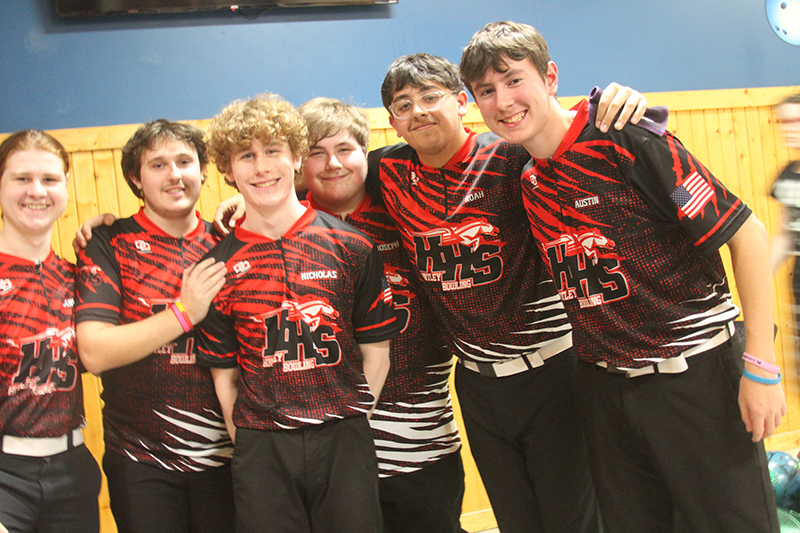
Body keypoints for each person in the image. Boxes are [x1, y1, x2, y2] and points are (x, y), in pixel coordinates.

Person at [461, 20, 785, 533]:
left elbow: (749, 237)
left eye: (513, 80)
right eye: (486, 91)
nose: (503, 101)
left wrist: (762, 366)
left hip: (695, 377)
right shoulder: (526, 178)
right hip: (603, 390)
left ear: (549, 77)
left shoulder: (625, 138)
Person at [362, 52, 646, 533]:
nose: (420, 112)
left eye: (431, 97)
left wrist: (623, 102)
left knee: (571, 520)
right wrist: (242, 199)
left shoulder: (513, 156)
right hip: (476, 384)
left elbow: (570, 131)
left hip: (553, 373)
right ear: (393, 123)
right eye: (404, 105)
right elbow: (316, 180)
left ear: (462, 102)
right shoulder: (386, 171)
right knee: (515, 520)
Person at [196, 94, 400, 533]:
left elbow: (377, 351)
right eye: (246, 156)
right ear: (228, 171)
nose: (262, 166)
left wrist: (353, 420)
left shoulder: (352, 246)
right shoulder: (215, 268)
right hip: (261, 446)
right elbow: (224, 376)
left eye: (272, 150)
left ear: (294, 158)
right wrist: (251, 442)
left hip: (344, 432)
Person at [298, 97, 464, 533]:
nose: (332, 164)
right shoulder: (281, 228)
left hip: (421, 439)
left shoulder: (408, 207)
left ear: (367, 153)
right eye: (316, 152)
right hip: (331, 446)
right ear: (299, 164)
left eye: (345, 150)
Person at [75, 120, 235, 533]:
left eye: (184, 161)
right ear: (136, 177)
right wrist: (184, 313)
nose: (175, 174)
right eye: (158, 165)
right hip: (142, 461)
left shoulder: (231, 242)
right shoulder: (108, 242)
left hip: (228, 457)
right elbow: (94, 353)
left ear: (203, 170)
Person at [0, 130, 101, 532]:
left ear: (66, 186)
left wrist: (107, 238)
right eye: (21, 179)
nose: (36, 191)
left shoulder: (79, 276)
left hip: (73, 470)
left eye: (50, 179)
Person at [771, 93, 800, 358]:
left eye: (796, 121)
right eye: (784, 122)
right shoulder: (788, 175)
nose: (788, 128)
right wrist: (762, 275)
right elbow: (786, 235)